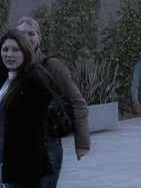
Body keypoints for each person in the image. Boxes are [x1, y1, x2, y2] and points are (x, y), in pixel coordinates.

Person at [14, 17, 90, 187]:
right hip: (18, 147)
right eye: (21, 34)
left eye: (31, 33)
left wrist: (82, 143)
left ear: (39, 37)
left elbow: (78, 102)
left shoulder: (52, 66)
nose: (26, 37)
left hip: (47, 147)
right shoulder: (10, 67)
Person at [0, 30, 56, 188]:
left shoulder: (33, 82)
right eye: (5, 50)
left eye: (15, 50)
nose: (9, 54)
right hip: (9, 165)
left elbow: (34, 135)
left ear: (26, 52)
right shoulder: (7, 81)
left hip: (27, 171)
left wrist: (30, 179)